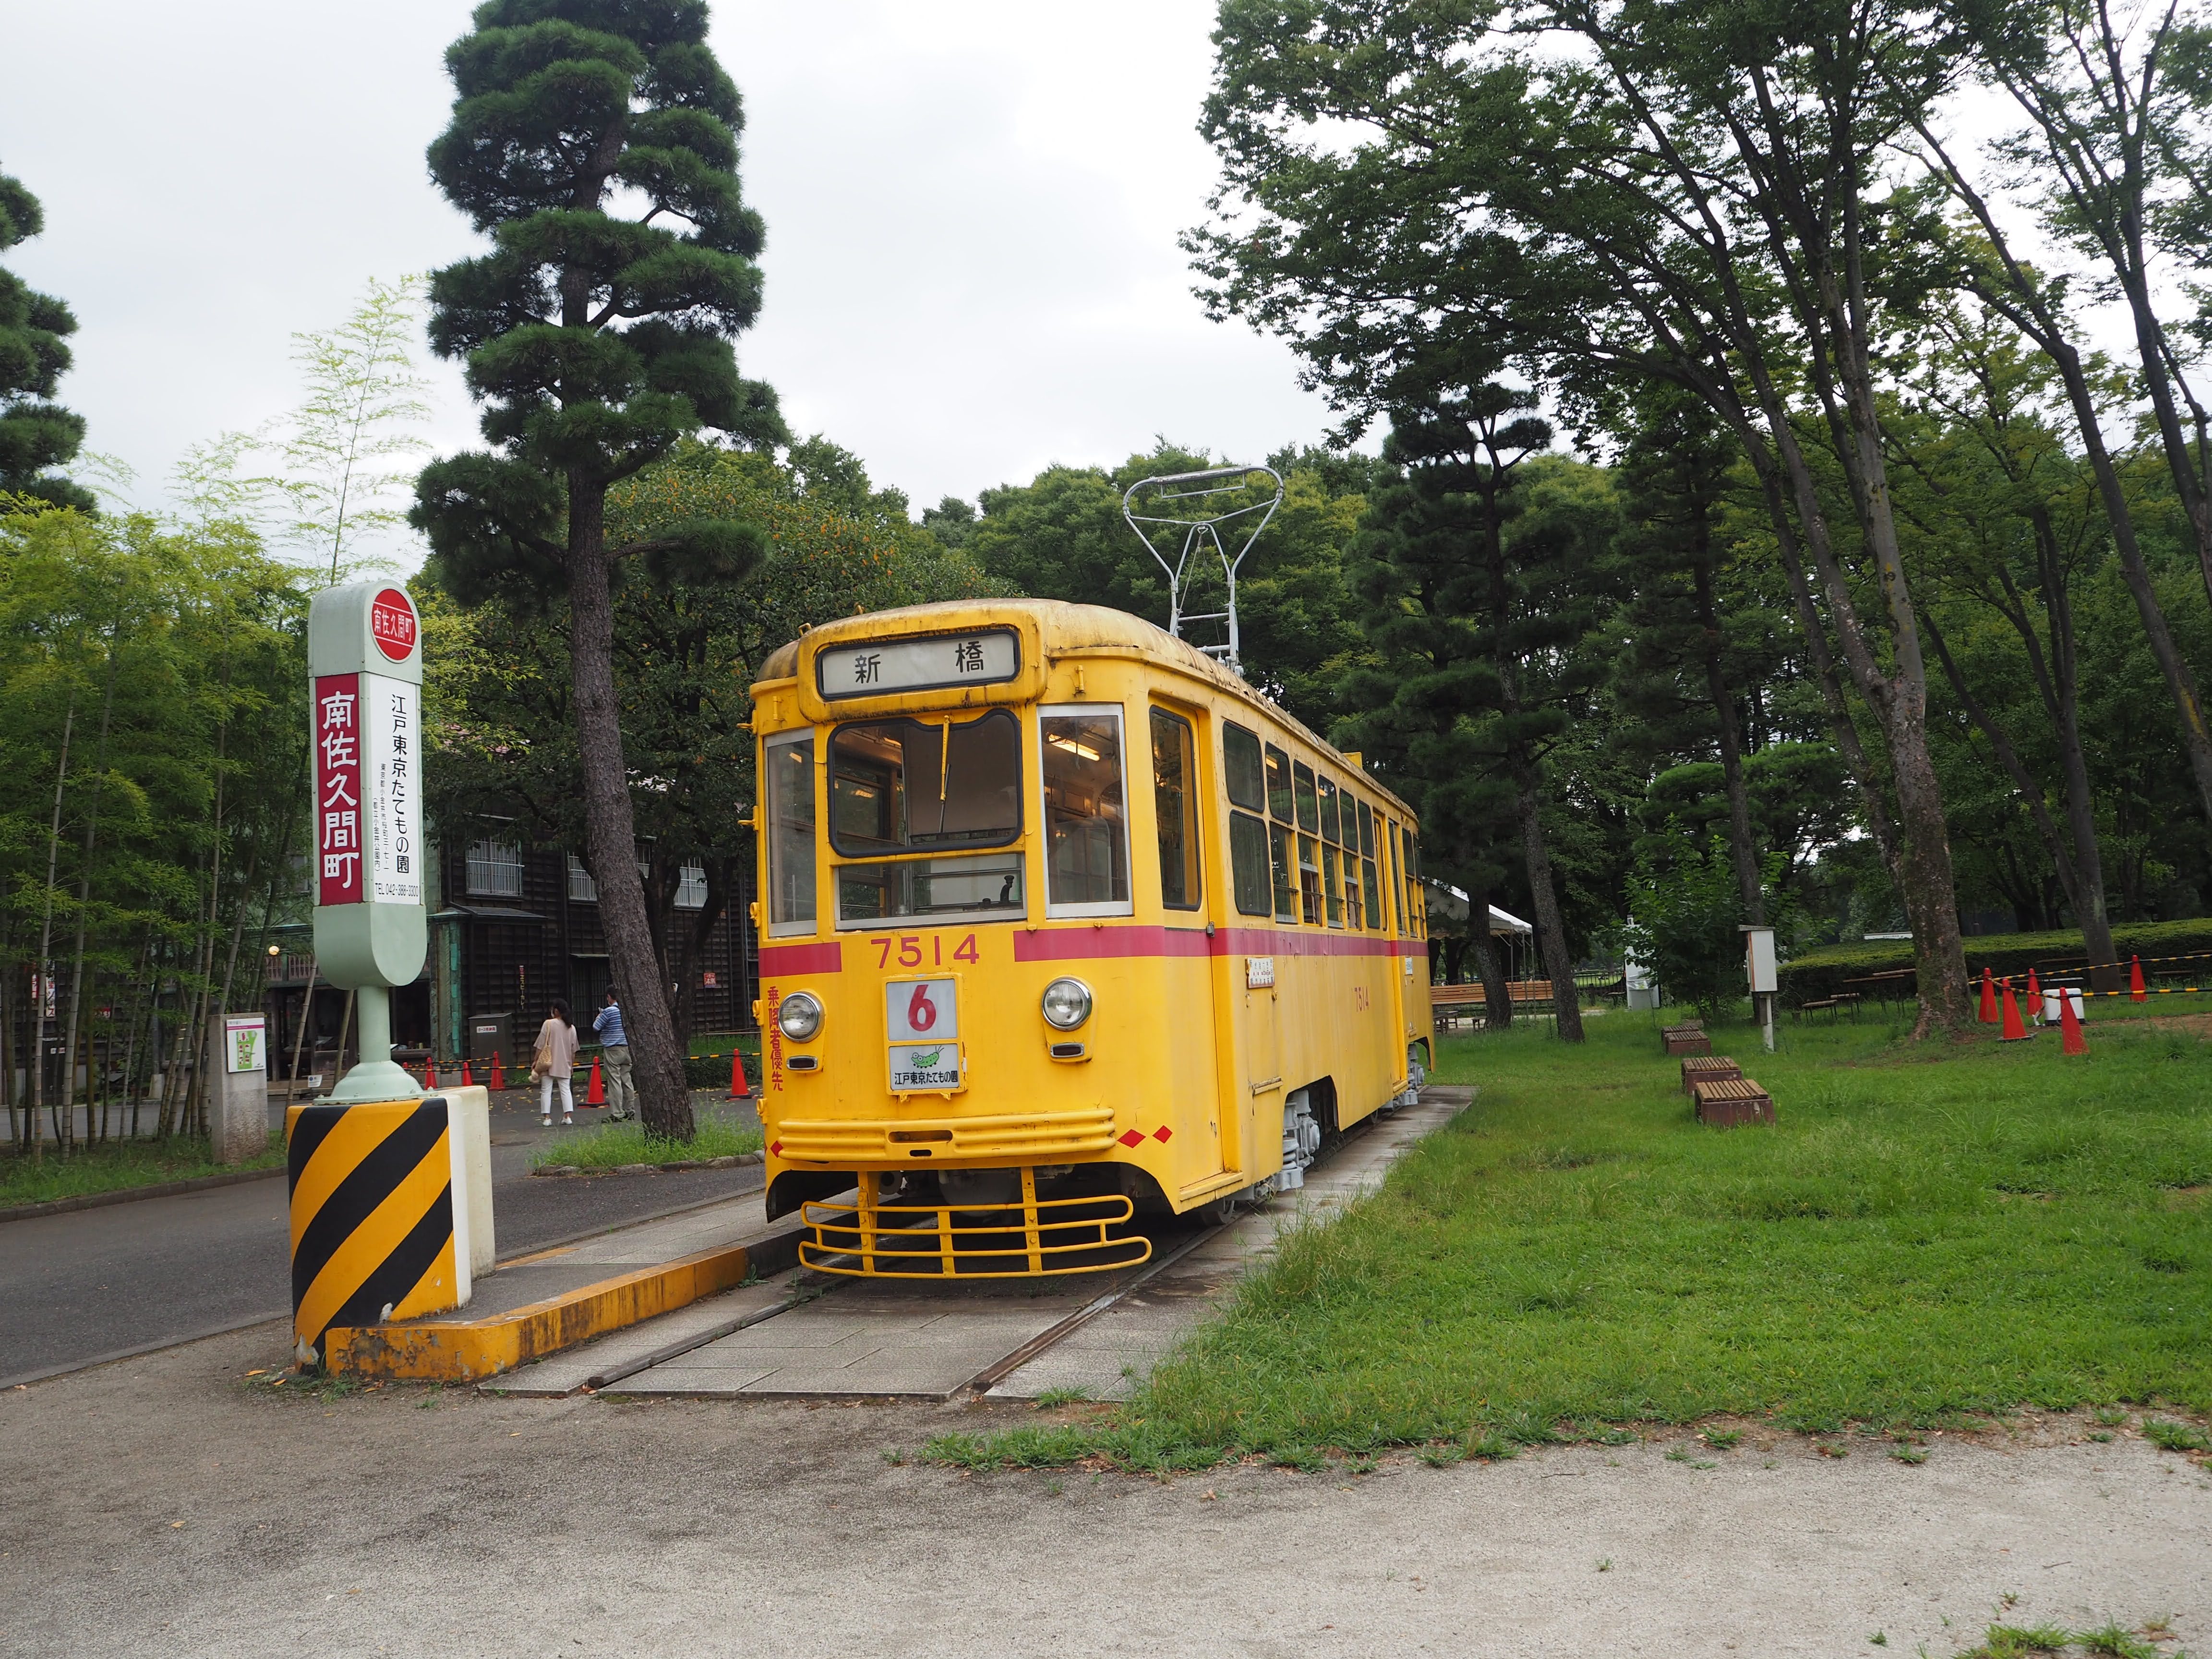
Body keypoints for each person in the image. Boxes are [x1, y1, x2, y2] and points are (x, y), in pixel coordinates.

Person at [532, 998, 580, 1127]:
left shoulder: (548, 1024)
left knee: (546, 1090)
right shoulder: (572, 1028)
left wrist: (536, 1060)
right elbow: (573, 1050)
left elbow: (541, 1045)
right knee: (566, 1090)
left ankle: (547, 1118)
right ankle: (567, 1116)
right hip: (565, 1063)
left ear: (556, 1011)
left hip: (548, 1062)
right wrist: (571, 1065)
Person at [593, 987, 635, 1122]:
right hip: (626, 1047)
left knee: (614, 1081)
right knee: (626, 1079)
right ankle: (630, 1110)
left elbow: (596, 1027)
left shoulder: (609, 1011)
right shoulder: (627, 1009)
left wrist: (600, 1016)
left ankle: (617, 1113)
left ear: (609, 997)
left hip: (613, 1049)